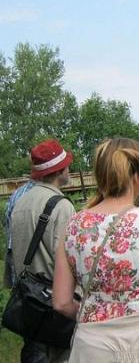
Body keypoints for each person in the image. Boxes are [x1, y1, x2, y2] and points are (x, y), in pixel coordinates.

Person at [52, 138, 139, 362]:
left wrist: (95, 312)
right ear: (137, 176)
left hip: (92, 345)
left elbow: (61, 302)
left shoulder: (73, 225)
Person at [10, 139, 76, 363]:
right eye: (67, 165)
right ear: (60, 170)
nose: (70, 169)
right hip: (54, 307)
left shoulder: (20, 203)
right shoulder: (61, 206)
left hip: (29, 304)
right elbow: (69, 261)